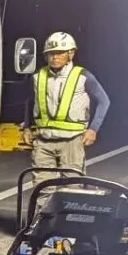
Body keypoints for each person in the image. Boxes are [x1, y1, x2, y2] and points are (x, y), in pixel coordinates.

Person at [21, 31, 109, 177]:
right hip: (43, 142)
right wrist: (27, 127)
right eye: (51, 53)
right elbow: (30, 101)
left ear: (71, 53)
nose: (55, 57)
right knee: (42, 189)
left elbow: (104, 101)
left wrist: (93, 129)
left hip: (72, 141)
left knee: (72, 189)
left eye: (60, 53)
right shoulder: (38, 77)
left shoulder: (83, 76)